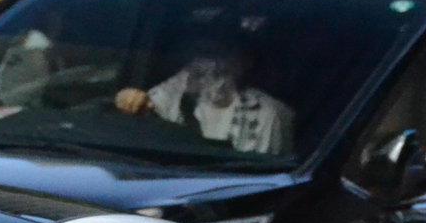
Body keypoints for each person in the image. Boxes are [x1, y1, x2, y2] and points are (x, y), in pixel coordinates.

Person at [113, 38, 296, 156]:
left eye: (221, 55)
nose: (210, 65)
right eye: (204, 54)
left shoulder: (266, 114)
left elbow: (259, 174)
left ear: (243, 63)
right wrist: (127, 98)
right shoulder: (180, 88)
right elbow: (140, 102)